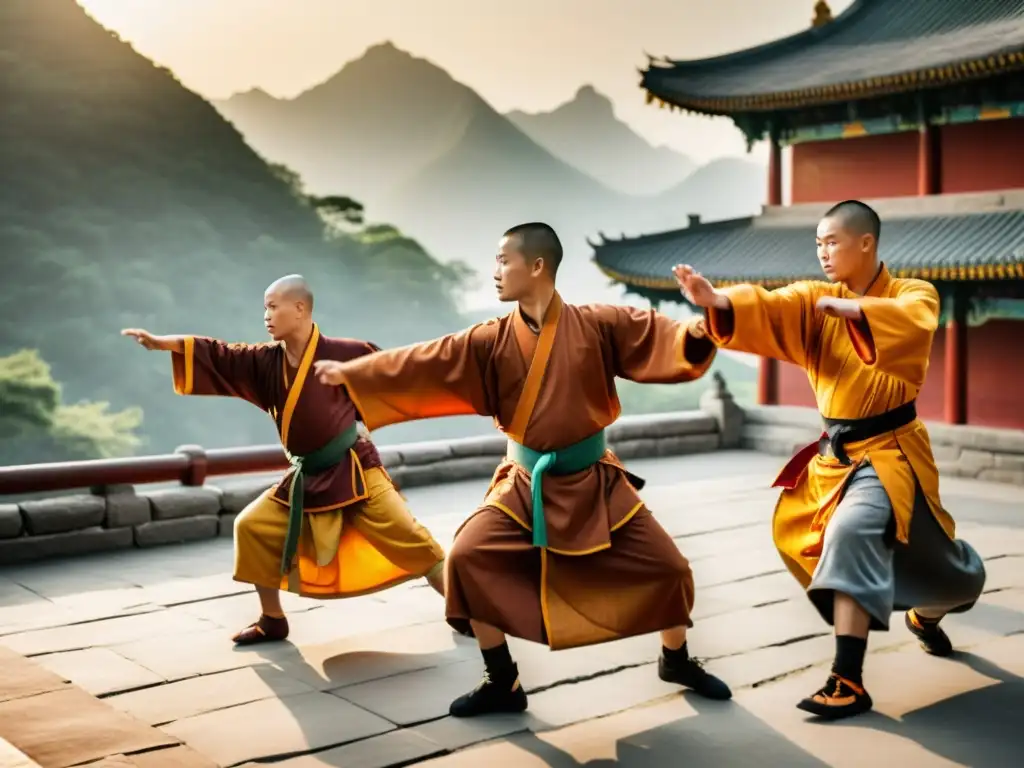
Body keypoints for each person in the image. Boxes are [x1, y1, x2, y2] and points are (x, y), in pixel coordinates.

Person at [313, 223, 733, 719]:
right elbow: (426, 360)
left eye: (502, 261)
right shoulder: (491, 339)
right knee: (466, 558)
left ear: (536, 266)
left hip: (594, 481)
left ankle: (676, 659)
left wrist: (702, 328)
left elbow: (661, 336)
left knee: (670, 569)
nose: (494, 272)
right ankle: (501, 680)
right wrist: (356, 374)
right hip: (524, 484)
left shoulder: (599, 324)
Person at [676, 200, 986, 721]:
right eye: (818, 243)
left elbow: (914, 322)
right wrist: (719, 301)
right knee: (849, 537)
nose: (822, 252)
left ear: (866, 243)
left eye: (833, 242)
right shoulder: (817, 299)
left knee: (944, 574)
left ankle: (875, 656)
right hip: (836, 459)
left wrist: (861, 314)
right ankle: (853, 673)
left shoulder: (913, 293)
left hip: (890, 451)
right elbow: (773, 306)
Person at [122, 274, 453, 646]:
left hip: (354, 469)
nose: (266, 314)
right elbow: (218, 353)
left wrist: (360, 420)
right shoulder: (265, 361)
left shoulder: (348, 352)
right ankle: (272, 619)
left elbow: (396, 377)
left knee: (412, 538)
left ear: (299, 309)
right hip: (305, 476)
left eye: (273, 305)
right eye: (265, 306)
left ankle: (465, 611)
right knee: (251, 526)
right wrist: (164, 344)